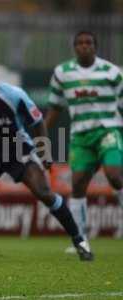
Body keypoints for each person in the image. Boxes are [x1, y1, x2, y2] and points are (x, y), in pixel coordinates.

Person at [0, 58, 93, 261]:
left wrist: (44, 152)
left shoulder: (14, 95)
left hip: (20, 153)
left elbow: (38, 123)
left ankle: (79, 240)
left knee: (44, 193)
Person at [45, 31, 123, 253]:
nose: (84, 46)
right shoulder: (62, 73)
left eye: (88, 42)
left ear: (95, 46)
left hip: (108, 131)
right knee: (78, 184)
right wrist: (40, 138)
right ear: (74, 47)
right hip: (80, 137)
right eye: (79, 43)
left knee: (115, 177)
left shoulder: (111, 71)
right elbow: (54, 108)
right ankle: (80, 240)